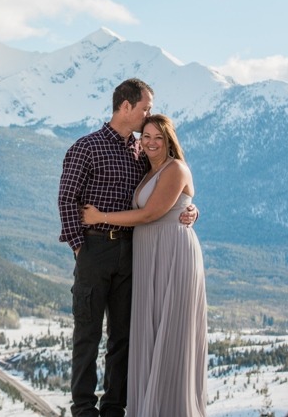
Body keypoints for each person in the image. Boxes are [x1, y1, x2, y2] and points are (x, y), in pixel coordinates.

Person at [58, 79, 197, 417]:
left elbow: (167, 191)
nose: (148, 114)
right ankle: (84, 409)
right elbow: (66, 201)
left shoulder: (141, 151)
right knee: (87, 333)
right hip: (94, 250)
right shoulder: (86, 147)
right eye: (145, 107)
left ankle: (114, 408)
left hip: (133, 252)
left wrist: (190, 208)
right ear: (125, 107)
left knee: (123, 335)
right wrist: (80, 249)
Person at [82, 114, 207, 417]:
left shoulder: (175, 168)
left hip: (172, 256)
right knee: (148, 332)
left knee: (170, 331)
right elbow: (176, 205)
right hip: (148, 255)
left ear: (169, 140)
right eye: (145, 136)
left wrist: (102, 218)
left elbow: (151, 214)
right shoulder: (148, 170)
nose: (150, 142)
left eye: (158, 137)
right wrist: (192, 209)